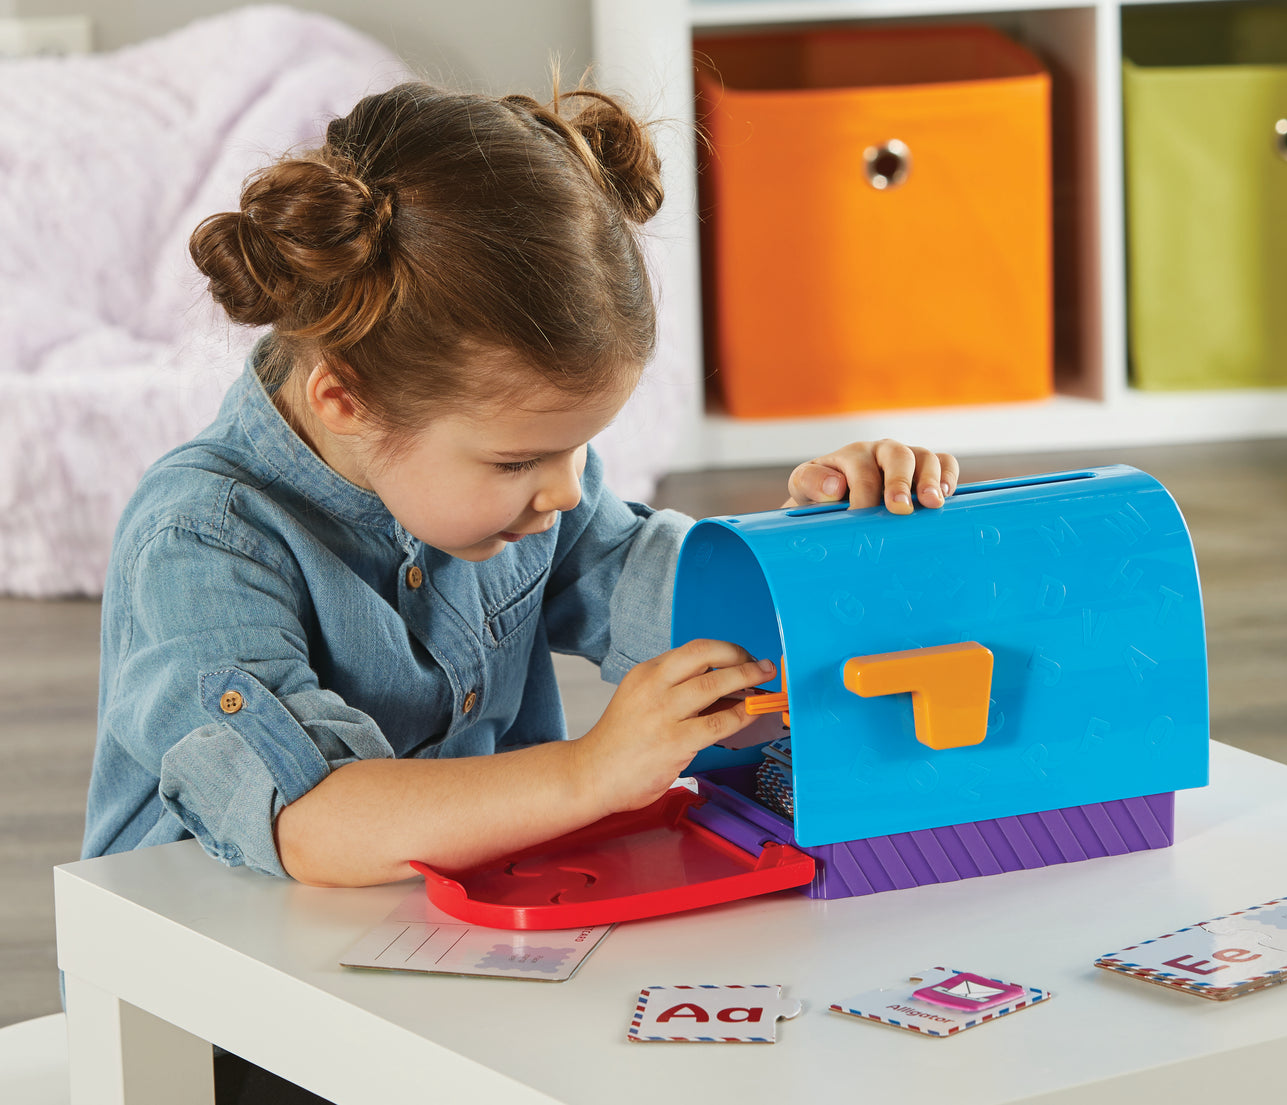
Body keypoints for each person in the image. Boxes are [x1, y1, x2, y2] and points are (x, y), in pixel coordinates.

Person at [84, 81, 959, 895]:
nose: (567, 493)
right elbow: (311, 822)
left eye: (577, 449)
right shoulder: (201, 538)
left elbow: (678, 612)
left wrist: (813, 556)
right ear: (344, 401)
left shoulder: (525, 495)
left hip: (449, 925)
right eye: (517, 462)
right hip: (221, 963)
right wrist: (589, 772)